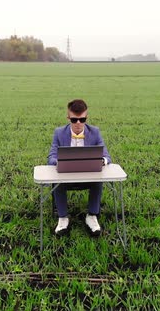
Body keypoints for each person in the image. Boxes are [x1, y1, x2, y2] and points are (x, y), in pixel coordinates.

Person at [47, 99, 111, 236]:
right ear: (68, 118)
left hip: (88, 177)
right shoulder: (59, 133)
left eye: (82, 120)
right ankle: (63, 218)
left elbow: (107, 156)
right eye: (74, 120)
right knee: (57, 181)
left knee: (97, 181)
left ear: (86, 118)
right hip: (65, 177)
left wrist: (102, 161)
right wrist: (59, 162)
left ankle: (92, 216)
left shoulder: (95, 132)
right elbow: (51, 157)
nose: (78, 123)